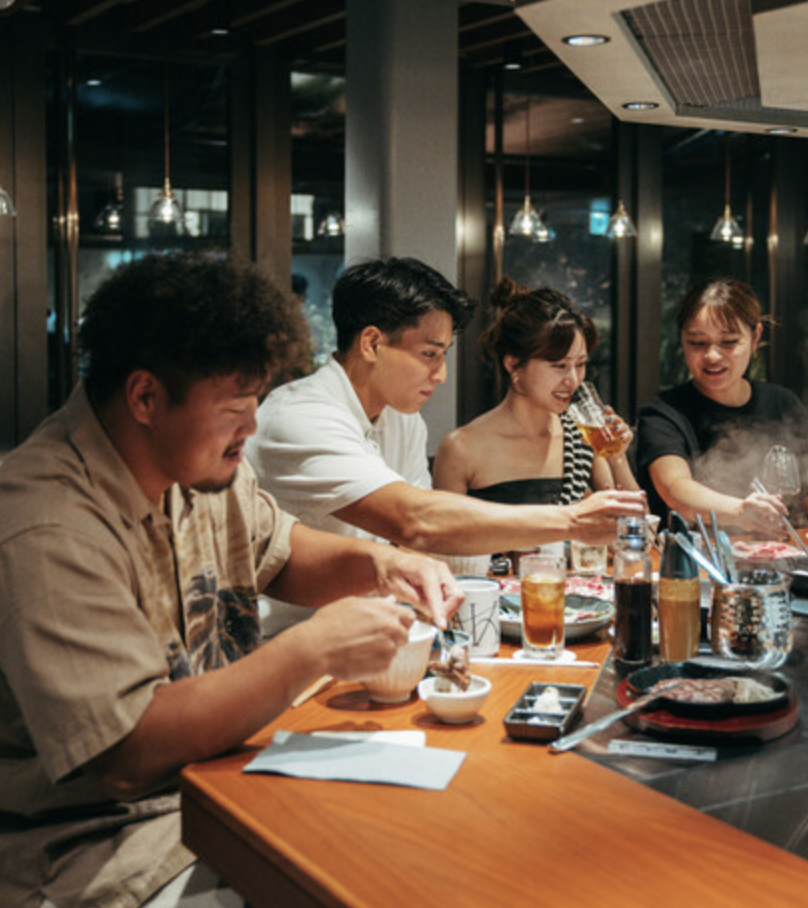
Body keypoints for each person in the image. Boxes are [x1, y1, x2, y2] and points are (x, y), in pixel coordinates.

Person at [0, 252, 463, 908]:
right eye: (234, 407)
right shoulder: (49, 522)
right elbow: (129, 753)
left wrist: (381, 566)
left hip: (223, 788)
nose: (252, 426)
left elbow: (281, 552)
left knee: (425, 848)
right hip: (101, 846)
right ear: (145, 397)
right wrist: (310, 651)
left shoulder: (200, 466)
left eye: (257, 400)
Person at [245, 257, 646, 566]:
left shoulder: (402, 419)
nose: (441, 375)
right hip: (298, 632)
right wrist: (571, 522)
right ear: (371, 344)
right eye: (429, 355)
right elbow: (416, 521)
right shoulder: (302, 416)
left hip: (383, 621)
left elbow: (423, 543)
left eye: (444, 355)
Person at [432, 278, 639, 505]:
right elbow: (442, 527)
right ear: (513, 365)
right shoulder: (461, 449)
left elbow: (640, 521)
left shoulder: (581, 439)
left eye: (580, 364)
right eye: (559, 365)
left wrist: (617, 459)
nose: (573, 380)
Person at [636, 276, 808, 532]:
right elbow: (675, 489)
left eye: (729, 342)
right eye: (697, 343)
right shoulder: (663, 414)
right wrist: (740, 511)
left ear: (755, 337)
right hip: (699, 553)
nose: (712, 356)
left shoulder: (783, 403)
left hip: (781, 548)